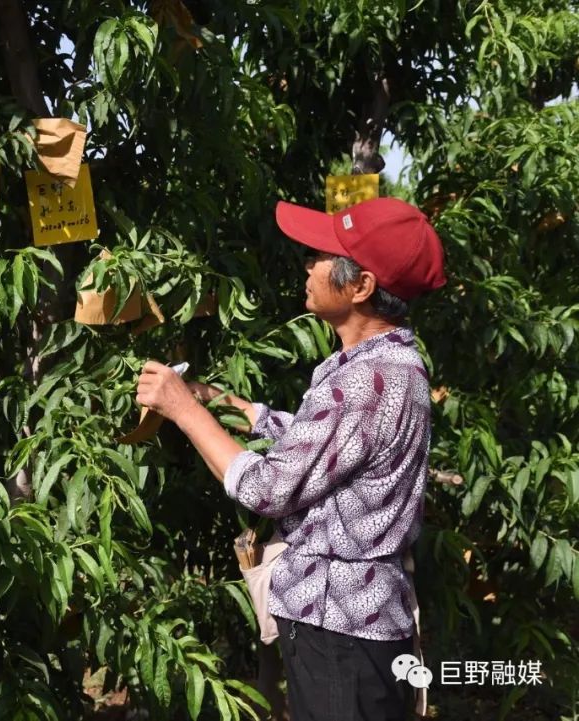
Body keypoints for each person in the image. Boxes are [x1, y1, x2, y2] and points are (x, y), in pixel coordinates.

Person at [135, 197, 446, 721]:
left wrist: (183, 410)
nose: (307, 264)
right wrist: (240, 410)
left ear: (361, 286)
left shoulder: (367, 382)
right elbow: (327, 448)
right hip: (351, 622)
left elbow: (270, 489)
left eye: (322, 255)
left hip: (341, 629)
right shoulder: (380, 365)